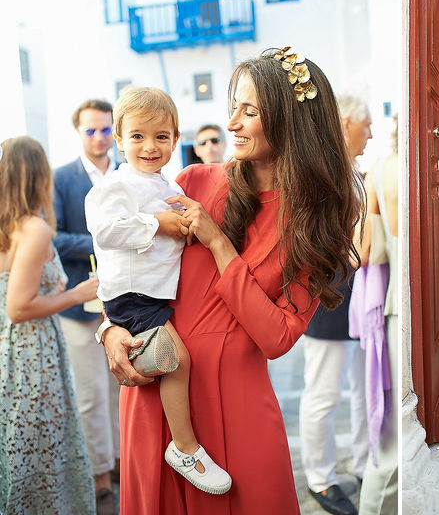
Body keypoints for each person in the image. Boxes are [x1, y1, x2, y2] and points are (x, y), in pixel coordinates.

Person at [101, 47, 363, 514]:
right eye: (233, 108)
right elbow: (124, 266)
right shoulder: (191, 182)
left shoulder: (312, 221)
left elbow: (277, 337)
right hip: (160, 391)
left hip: (239, 404)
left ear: (288, 121)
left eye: (249, 110)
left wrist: (218, 243)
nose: (233, 123)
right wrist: (110, 330)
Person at [86, 87, 232, 494]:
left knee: (175, 359)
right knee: (176, 361)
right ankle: (184, 447)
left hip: (151, 294)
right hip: (133, 296)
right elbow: (105, 229)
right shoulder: (119, 185)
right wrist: (158, 224)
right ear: (119, 139)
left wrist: (179, 230)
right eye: (137, 136)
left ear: (175, 139)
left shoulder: (163, 181)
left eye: (161, 137)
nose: (150, 146)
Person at [0, 136, 99, 513]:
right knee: (40, 453)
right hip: (29, 354)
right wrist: (78, 293)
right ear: (39, 173)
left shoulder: (7, 224)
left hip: (8, 351)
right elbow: (19, 307)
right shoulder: (33, 228)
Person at [300, 94, 371, 515]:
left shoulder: (355, 169)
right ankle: (320, 478)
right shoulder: (318, 170)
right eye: (366, 126)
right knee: (324, 393)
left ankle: (364, 462)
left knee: (365, 387)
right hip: (331, 292)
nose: (372, 133)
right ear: (346, 123)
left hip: (362, 290)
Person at [53, 98, 121, 515]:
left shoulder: (128, 172)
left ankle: (122, 464)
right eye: (90, 130)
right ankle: (99, 474)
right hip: (79, 305)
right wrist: (103, 239)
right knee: (90, 396)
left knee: (121, 389)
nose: (99, 137)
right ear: (79, 132)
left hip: (123, 302)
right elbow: (54, 237)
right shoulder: (62, 177)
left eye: (105, 129)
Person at [353, 119, 399, 515]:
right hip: (401, 305)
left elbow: (364, 255)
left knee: (390, 426)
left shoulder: (380, 170)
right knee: (396, 433)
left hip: (393, 302)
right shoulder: (392, 170)